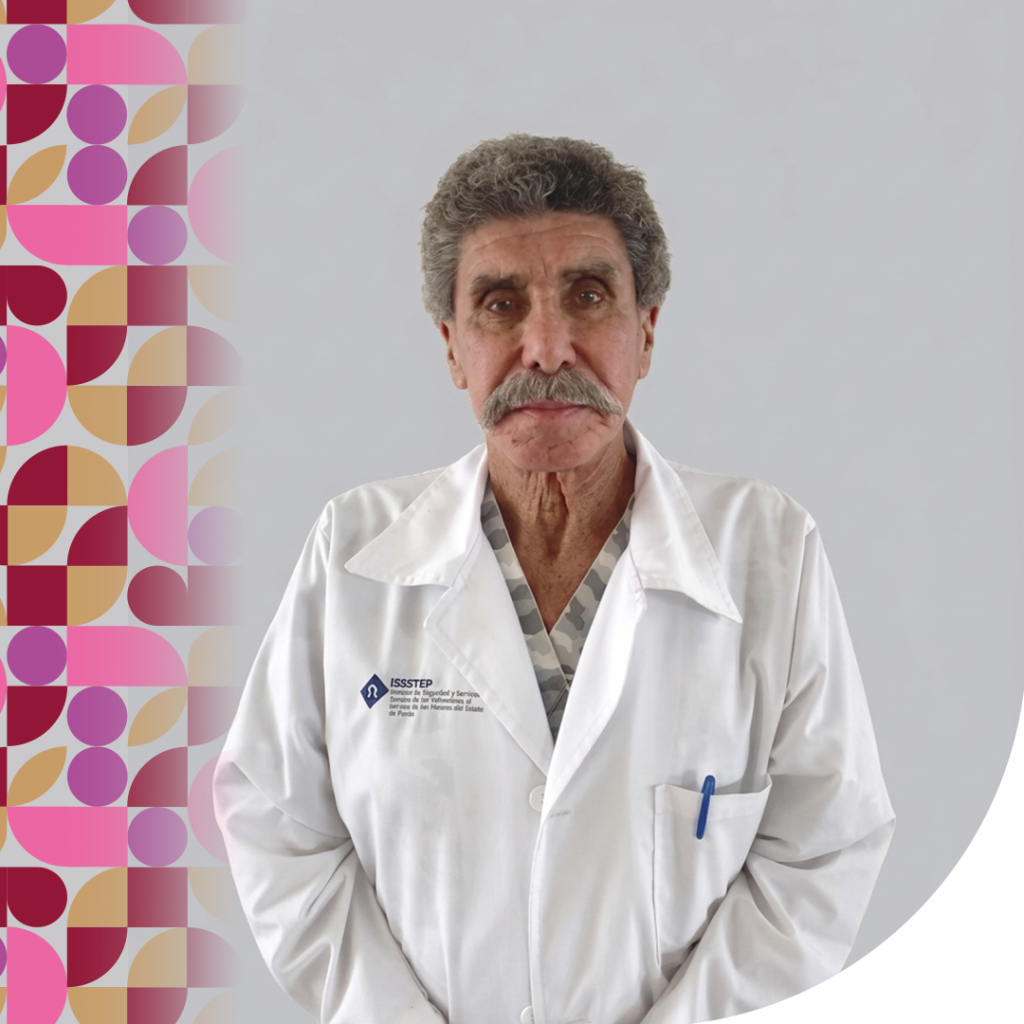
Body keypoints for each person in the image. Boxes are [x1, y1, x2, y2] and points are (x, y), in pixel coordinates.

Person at [214, 134, 895, 1024]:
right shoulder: (353, 551)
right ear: (452, 347)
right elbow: (275, 823)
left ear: (646, 332)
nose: (545, 347)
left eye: (589, 296)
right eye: (500, 305)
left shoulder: (769, 553)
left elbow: (822, 848)